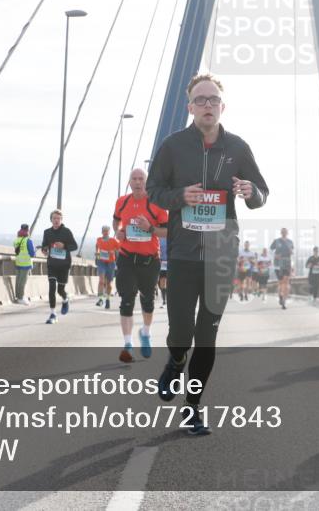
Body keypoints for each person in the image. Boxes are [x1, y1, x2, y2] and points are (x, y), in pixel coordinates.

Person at [147, 73, 268, 436]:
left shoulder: (238, 148)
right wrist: (180, 196)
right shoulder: (172, 146)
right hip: (183, 254)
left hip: (221, 256)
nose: (207, 105)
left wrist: (251, 191)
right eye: (200, 100)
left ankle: (193, 408)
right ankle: (176, 359)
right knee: (181, 330)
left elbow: (262, 193)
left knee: (207, 335)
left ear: (222, 107)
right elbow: (154, 190)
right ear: (190, 107)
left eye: (213, 99)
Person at [114, 167, 168, 363]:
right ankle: (127, 345)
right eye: (134, 179)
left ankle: (145, 332)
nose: (137, 182)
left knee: (147, 302)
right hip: (127, 258)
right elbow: (116, 221)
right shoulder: (122, 201)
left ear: (147, 182)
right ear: (129, 182)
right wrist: (118, 232)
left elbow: (167, 231)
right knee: (126, 300)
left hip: (149, 260)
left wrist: (150, 228)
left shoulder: (157, 204)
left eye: (141, 179)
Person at [40, 209, 77, 324]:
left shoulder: (66, 232)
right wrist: (44, 250)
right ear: (51, 220)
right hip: (52, 264)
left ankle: (65, 299)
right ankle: (53, 314)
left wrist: (64, 246)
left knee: (60, 290)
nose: (56, 220)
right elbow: (44, 245)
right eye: (54, 218)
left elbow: (74, 246)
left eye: (58, 218)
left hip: (64, 265)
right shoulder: (47, 232)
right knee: (52, 287)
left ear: (61, 220)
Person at [95, 225, 120, 308]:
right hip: (101, 262)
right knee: (101, 281)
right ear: (102, 232)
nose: (105, 232)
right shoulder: (98, 239)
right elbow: (97, 246)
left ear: (109, 232)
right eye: (104, 231)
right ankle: (100, 299)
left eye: (107, 231)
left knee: (109, 283)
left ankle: (108, 299)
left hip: (111, 263)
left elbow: (119, 248)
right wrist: (97, 253)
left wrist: (113, 251)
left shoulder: (113, 240)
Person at [270, 228, 294, 309]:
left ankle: (284, 301)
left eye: (285, 232)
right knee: (281, 282)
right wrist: (275, 255)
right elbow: (270, 250)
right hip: (278, 264)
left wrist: (291, 252)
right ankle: (280, 295)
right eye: (283, 231)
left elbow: (292, 252)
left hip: (287, 263)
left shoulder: (290, 242)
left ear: (287, 233)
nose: (284, 233)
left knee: (286, 282)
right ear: (281, 233)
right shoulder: (276, 241)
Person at [13, 223, 36, 304]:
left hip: (18, 262)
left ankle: (17, 296)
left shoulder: (16, 240)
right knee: (23, 281)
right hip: (26, 264)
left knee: (18, 281)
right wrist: (35, 251)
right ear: (27, 230)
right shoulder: (28, 240)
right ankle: (21, 298)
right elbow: (32, 254)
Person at [158, 236, 168, 307]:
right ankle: (164, 300)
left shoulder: (171, 236)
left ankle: (166, 300)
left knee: (168, 281)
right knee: (162, 281)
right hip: (161, 262)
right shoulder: (158, 238)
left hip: (170, 261)